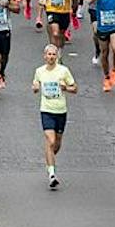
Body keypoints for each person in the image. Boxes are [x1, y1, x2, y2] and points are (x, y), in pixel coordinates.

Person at [32, 42, 77, 190]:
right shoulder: (39, 71)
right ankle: (52, 174)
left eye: (53, 54)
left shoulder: (63, 71)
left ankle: (49, 157)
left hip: (61, 111)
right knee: (50, 141)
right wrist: (35, 87)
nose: (51, 57)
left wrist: (66, 88)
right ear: (45, 57)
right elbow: (35, 84)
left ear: (56, 56)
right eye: (49, 54)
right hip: (46, 110)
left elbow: (75, 88)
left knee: (56, 145)